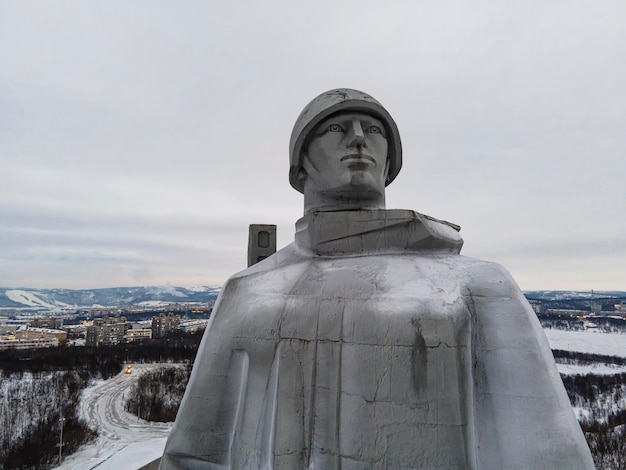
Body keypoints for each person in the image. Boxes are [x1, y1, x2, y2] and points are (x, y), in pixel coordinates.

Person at [160, 89, 593, 469]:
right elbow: (193, 453)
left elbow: (543, 450)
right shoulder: (247, 290)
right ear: (300, 167)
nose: (359, 138)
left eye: (374, 129)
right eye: (335, 129)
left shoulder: (474, 282)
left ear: (389, 165)